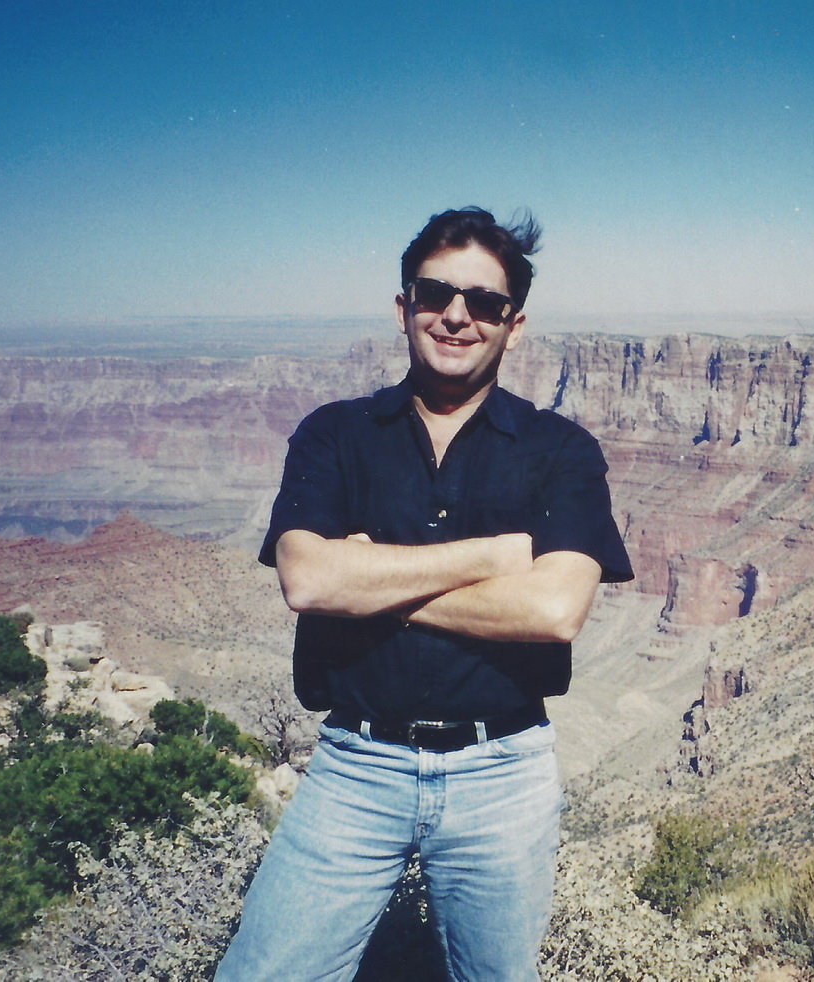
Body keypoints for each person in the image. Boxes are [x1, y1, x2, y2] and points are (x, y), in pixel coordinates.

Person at [216, 207, 632, 981]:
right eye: (437, 293)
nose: (457, 315)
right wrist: (492, 558)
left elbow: (553, 610)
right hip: (354, 767)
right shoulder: (334, 434)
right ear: (404, 306)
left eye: (485, 303)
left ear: (515, 325)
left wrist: (368, 578)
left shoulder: (561, 452)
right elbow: (306, 578)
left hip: (501, 772)